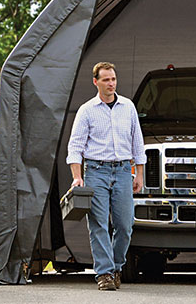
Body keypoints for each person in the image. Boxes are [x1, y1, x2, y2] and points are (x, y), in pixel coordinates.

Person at [66, 62, 145, 291]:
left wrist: (138, 173)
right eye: (106, 80)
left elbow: (137, 142)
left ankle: (116, 266)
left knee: (124, 224)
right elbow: (75, 147)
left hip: (122, 171)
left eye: (113, 79)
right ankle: (104, 274)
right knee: (98, 224)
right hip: (96, 171)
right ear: (96, 82)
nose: (111, 84)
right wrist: (77, 177)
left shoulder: (128, 107)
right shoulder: (87, 110)